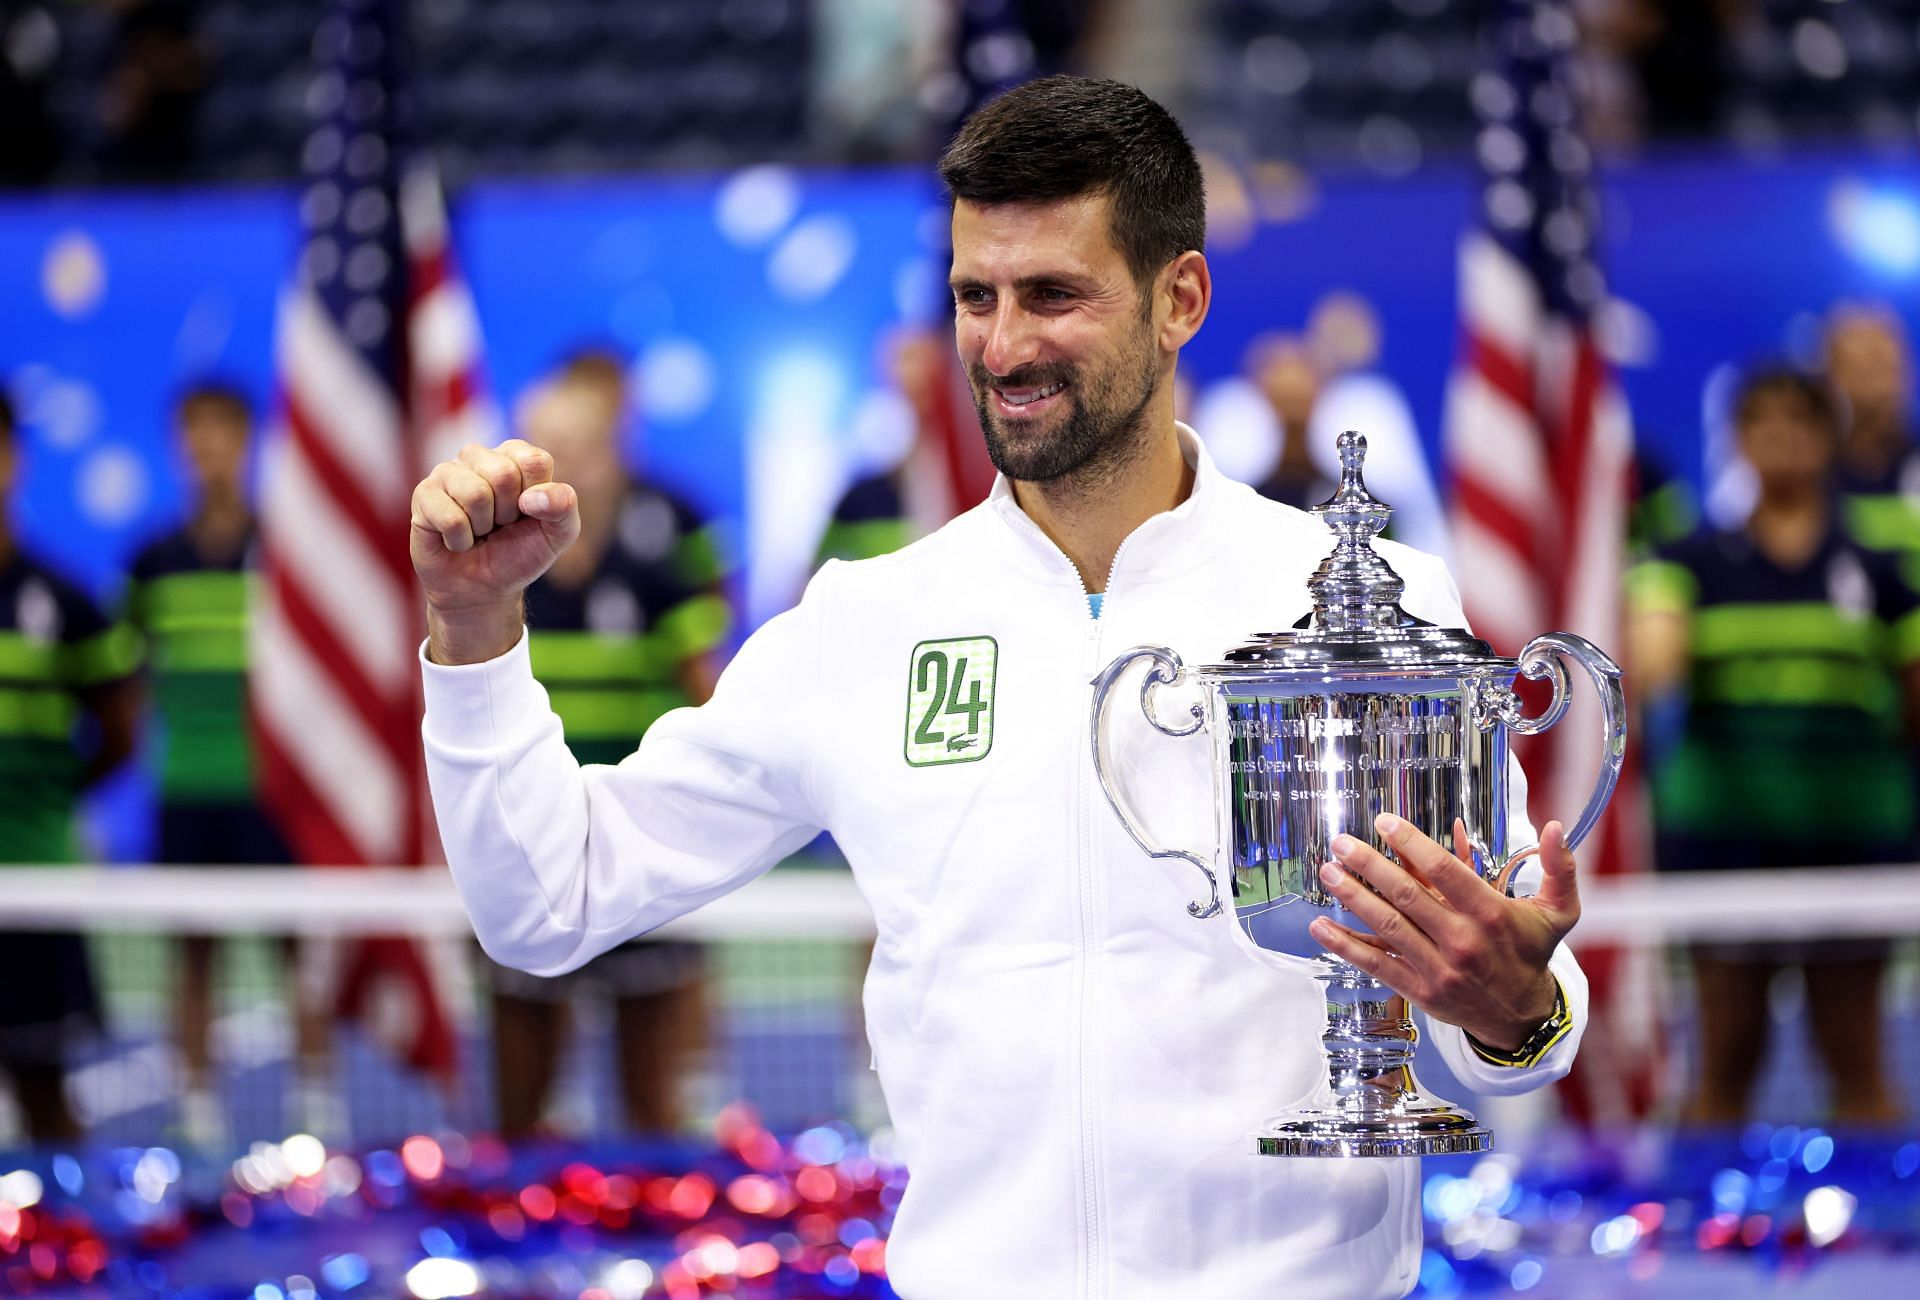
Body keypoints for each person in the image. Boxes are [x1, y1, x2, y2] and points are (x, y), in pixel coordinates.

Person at [410, 77, 1586, 1297]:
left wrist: (1518, 1007)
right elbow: (545, 900)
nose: (1005, 344)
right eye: (978, 296)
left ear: (1180, 298)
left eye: (1054, 295)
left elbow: (1503, 1020)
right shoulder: (865, 623)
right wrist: (477, 626)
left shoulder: (1373, 608)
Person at [1629, 367, 1917, 1128]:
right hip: (1724, 842)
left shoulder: (1885, 561)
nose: (1783, 438)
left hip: (1851, 840)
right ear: (1740, 441)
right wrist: (1647, 657)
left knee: (1856, 1051)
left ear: (1828, 438)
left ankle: (1885, 1239)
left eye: (1801, 422)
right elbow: (1652, 668)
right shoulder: (1690, 557)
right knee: (1727, 1053)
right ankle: (1706, 1237)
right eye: (1764, 423)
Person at [483, 361, 730, 1137]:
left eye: (579, 446)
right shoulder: (493, 574)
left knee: (650, 1108)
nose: (563, 463)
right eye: (544, 446)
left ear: (610, 451)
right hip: (528, 846)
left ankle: (655, 1241)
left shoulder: (660, 567)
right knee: (518, 1110)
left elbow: (710, 704)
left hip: (638, 852)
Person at [125, 382, 326, 1148]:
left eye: (220, 432)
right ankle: (198, 1116)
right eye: (192, 433)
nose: (206, 449)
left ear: (246, 442)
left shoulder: (288, 552)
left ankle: (317, 1110)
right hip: (186, 793)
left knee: (298, 952)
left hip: (270, 796)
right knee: (192, 961)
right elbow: (133, 687)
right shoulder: (152, 562)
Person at [0, 389, 139, 1142]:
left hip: (33, 888)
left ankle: (63, 1245)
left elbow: (121, 729)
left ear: (13, 459)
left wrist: (49, 797)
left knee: (45, 1096)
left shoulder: (65, 601)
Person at [1825, 303, 1919, 559]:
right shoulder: (1808, 474)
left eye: (1893, 368)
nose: (1885, 386)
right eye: (1868, 368)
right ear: (1831, 376)